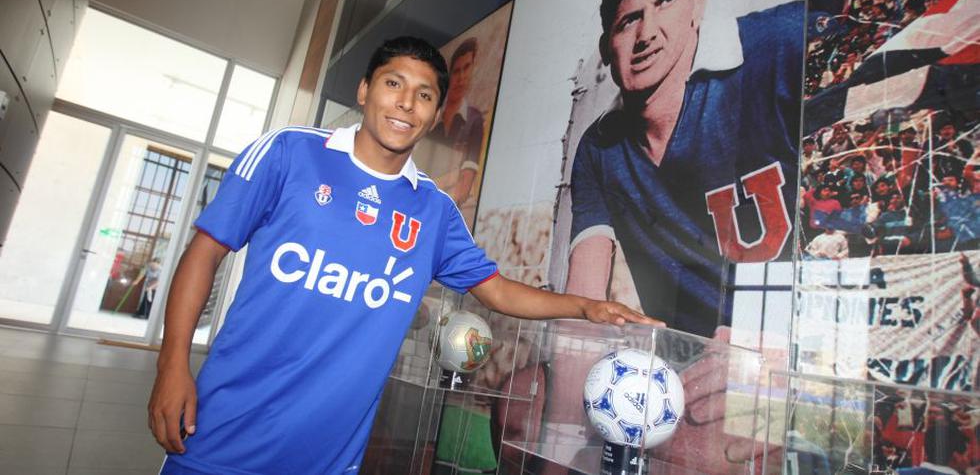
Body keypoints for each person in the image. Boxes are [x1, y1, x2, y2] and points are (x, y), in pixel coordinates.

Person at [148, 36, 658, 474]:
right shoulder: (288, 153)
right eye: (393, 84)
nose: (405, 104)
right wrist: (173, 366)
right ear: (365, 90)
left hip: (328, 454)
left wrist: (586, 306)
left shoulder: (433, 211)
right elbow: (204, 250)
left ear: (436, 114)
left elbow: (496, 290)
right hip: (224, 430)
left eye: (424, 95)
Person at [565, 0, 804, 336]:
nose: (647, 34)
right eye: (628, 21)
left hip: (791, 349)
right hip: (684, 374)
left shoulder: (779, 46)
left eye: (667, 0)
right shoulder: (599, 149)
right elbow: (582, 304)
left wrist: (753, 341)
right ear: (607, 47)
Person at [426, 37, 485, 207]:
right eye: (457, 71)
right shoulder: (433, 116)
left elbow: (464, 184)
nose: (462, 77)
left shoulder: (474, 119)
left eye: (467, 68)